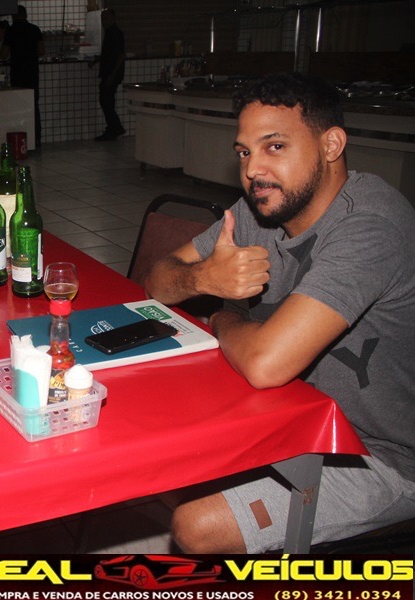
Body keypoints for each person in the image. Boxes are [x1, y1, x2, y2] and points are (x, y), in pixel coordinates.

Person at [144, 72, 415, 553]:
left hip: (382, 456)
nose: (253, 170)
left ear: (331, 145)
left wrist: (223, 316)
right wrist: (203, 278)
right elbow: (156, 281)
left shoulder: (370, 227)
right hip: (288, 419)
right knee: (145, 435)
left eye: (274, 146)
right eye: (244, 152)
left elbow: (265, 364)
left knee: (198, 525)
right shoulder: (262, 208)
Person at [0, 5, 44, 146]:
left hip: (17, 73)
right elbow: (41, 51)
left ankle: (21, 140)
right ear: (26, 15)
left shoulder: (10, 31)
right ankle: (36, 138)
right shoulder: (35, 29)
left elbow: (3, 54)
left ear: (13, 15)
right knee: (34, 105)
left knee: (19, 105)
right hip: (32, 72)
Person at [92, 9, 126, 141]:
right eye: (102, 18)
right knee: (107, 102)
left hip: (111, 74)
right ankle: (114, 128)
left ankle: (114, 128)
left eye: (106, 18)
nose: (104, 21)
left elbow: (121, 55)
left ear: (113, 18)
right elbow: (109, 54)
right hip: (109, 73)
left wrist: (112, 74)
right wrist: (97, 60)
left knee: (106, 102)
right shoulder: (110, 33)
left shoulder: (115, 33)